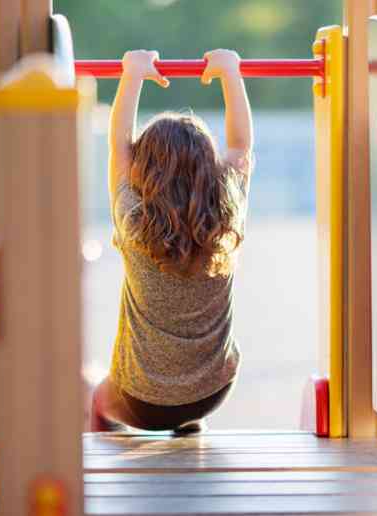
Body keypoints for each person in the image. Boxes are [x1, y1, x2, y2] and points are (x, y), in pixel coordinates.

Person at [90, 49, 253, 433]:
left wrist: (132, 75)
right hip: (214, 390)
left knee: (95, 398)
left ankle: (111, 459)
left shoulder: (133, 221)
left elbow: (119, 146)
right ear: (211, 168)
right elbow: (242, 146)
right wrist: (231, 73)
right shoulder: (227, 215)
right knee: (185, 399)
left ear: (142, 171)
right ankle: (188, 423)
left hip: (141, 401)